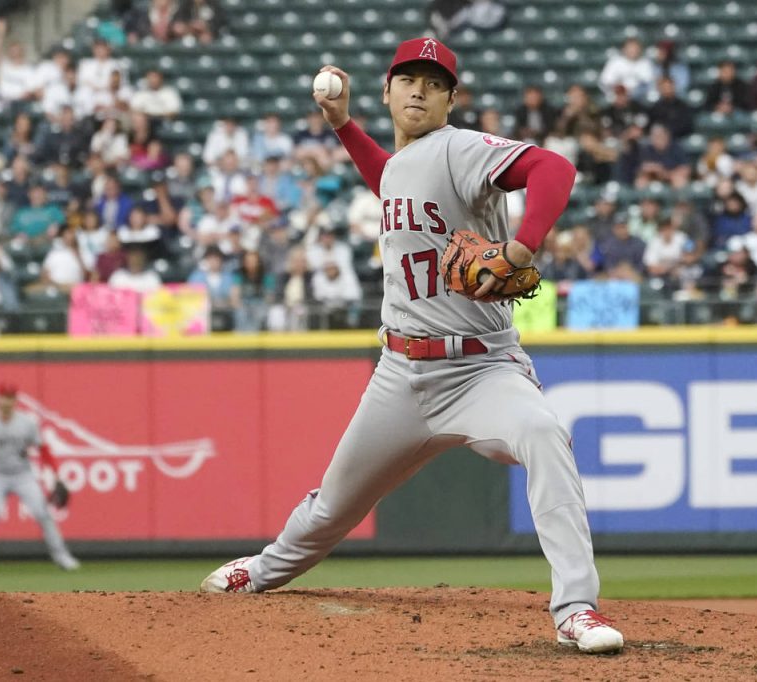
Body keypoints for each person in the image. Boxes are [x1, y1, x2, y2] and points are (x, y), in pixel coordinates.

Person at [199, 37, 624, 653]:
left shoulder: (459, 147)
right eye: (408, 79)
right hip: (399, 376)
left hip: (482, 370)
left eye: (433, 83)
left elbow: (554, 168)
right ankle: (264, 570)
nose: (419, 90)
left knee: (543, 435)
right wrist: (343, 125)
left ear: (451, 99)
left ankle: (576, 609)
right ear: (388, 91)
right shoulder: (404, 163)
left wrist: (521, 246)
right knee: (332, 507)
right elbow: (390, 180)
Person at [0, 383, 80, 575]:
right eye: (3, 397)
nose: (6, 401)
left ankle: (62, 557)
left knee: (43, 513)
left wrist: (56, 474)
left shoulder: (27, 423)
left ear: (15, 401)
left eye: (10, 398)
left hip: (23, 475)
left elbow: (43, 449)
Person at [599, 37, 655, 102]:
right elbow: (605, 82)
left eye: (635, 48)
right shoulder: (615, 62)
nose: (633, 51)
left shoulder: (646, 63)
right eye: (630, 48)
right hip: (616, 97)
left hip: (639, 99)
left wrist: (632, 91)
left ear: (640, 49)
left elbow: (649, 84)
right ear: (623, 49)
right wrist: (619, 89)